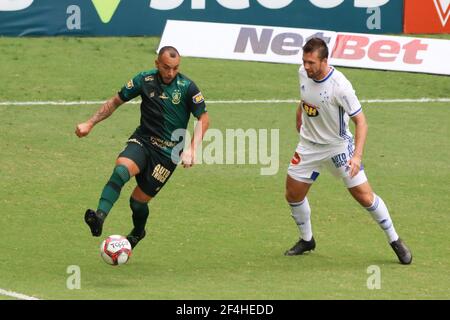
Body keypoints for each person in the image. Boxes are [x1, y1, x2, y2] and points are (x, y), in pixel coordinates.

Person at [284, 38, 412, 264]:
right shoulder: (303, 73)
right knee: (293, 194)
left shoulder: (340, 87)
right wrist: (298, 116)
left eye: (311, 62)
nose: (306, 66)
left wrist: (357, 156)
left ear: (325, 60)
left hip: (338, 148)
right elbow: (305, 98)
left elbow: (361, 122)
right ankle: (307, 240)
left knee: (364, 196)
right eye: (304, 61)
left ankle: (395, 240)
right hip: (309, 145)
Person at [75, 46, 209, 248]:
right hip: (143, 141)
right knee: (121, 170)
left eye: (175, 68)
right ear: (157, 64)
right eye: (166, 67)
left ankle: (138, 232)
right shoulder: (144, 80)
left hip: (168, 154)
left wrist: (192, 148)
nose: (170, 73)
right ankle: (99, 217)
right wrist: (90, 123)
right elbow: (115, 102)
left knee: (137, 202)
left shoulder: (187, 87)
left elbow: (204, 118)